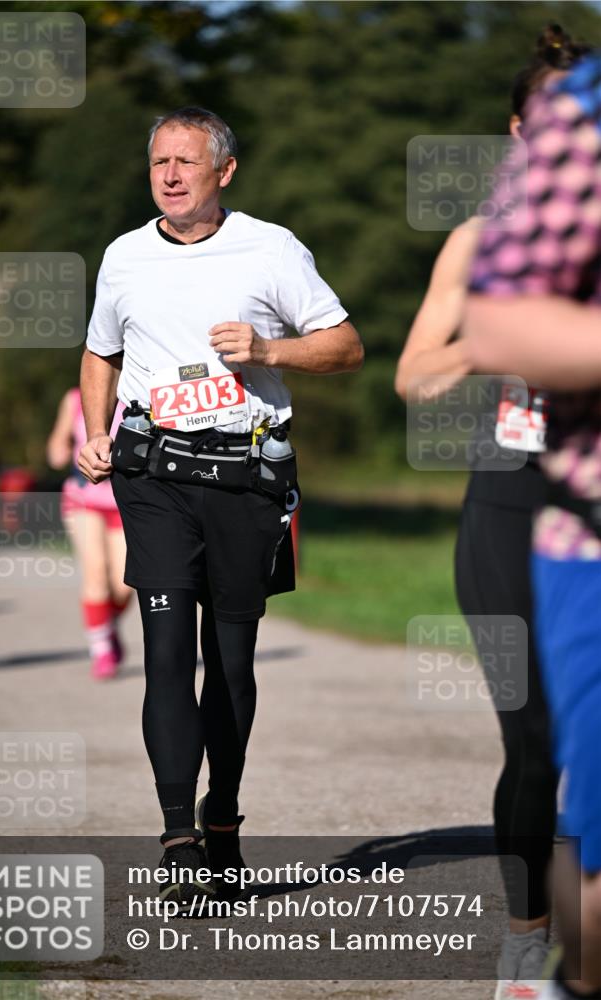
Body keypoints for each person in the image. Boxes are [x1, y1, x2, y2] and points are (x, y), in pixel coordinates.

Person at [77, 106, 363, 908]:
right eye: (158, 163)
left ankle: (224, 817)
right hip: (154, 476)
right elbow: (101, 350)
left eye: (185, 163)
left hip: (245, 475)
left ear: (224, 172)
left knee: (230, 666)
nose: (169, 176)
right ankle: (177, 837)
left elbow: (345, 346)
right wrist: (94, 433)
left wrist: (270, 350)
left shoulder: (270, 248)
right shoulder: (125, 255)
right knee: (166, 643)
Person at [396, 26, 591, 1000]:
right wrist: (497, 332)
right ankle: (526, 945)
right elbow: (415, 372)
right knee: (537, 742)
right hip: (510, 503)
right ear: (517, 132)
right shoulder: (478, 241)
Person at [463, 52, 601, 1000]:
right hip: (547, 504)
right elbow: (479, 329)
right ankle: (536, 952)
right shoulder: (578, 128)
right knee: (539, 747)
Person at [47, 387, 132, 679]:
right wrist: (59, 449)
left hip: (126, 503)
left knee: (124, 584)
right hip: (84, 499)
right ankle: (101, 649)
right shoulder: (73, 398)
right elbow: (57, 449)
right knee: (95, 573)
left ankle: (105, 627)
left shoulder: (138, 395)